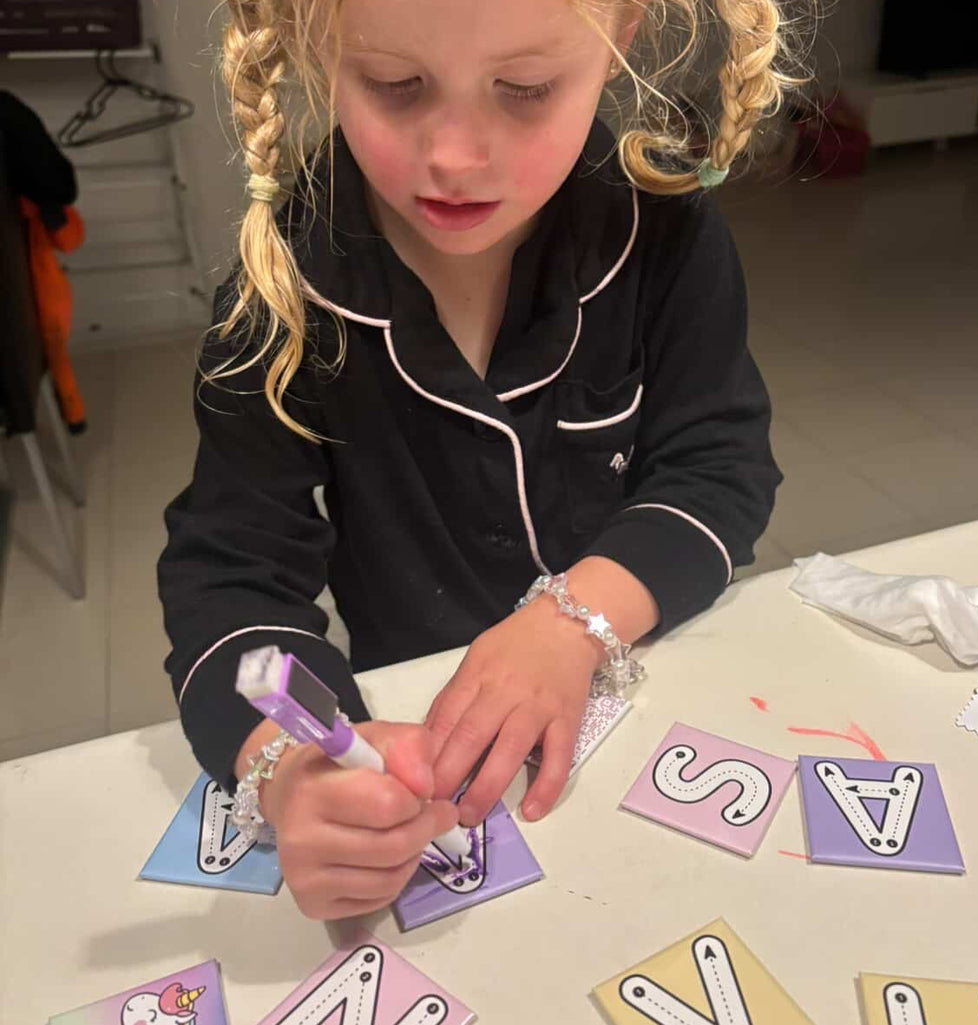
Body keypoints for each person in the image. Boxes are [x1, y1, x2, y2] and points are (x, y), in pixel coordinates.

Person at [158, 0, 803, 920]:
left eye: (526, 90)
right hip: (432, 761)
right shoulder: (278, 296)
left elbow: (721, 468)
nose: (455, 156)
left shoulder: (664, 232)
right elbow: (231, 578)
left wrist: (573, 622)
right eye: (394, 85)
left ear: (616, 43)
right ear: (315, 47)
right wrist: (288, 763)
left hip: (642, 718)